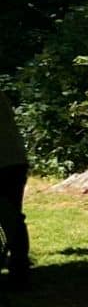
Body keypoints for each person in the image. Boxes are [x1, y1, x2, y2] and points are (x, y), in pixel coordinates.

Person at [0, 90, 27, 287]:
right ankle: (19, 266)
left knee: (10, 217)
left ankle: (19, 268)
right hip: (14, 161)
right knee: (12, 217)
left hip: (5, 163)